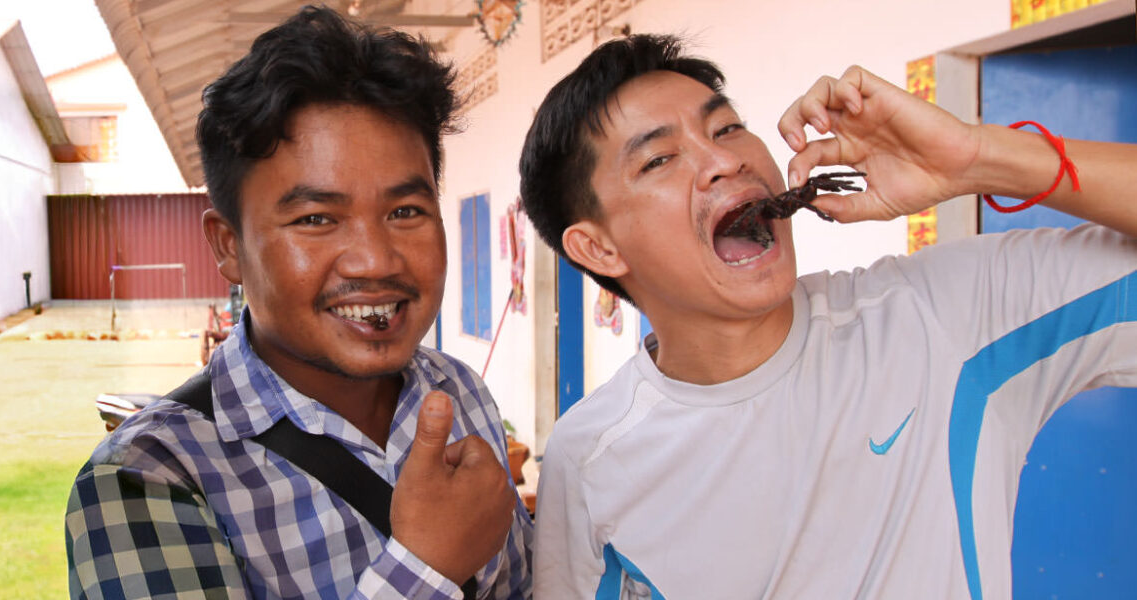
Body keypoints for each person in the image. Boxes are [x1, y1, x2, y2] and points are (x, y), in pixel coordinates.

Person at [519, 33, 1137, 599]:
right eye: (658, 160)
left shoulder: (941, 316)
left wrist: (976, 158)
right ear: (598, 248)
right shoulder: (590, 457)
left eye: (728, 128)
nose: (723, 161)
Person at [65, 6, 531, 599]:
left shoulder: (457, 390)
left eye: (406, 211)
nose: (376, 260)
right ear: (228, 246)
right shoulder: (147, 479)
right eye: (316, 218)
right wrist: (427, 570)